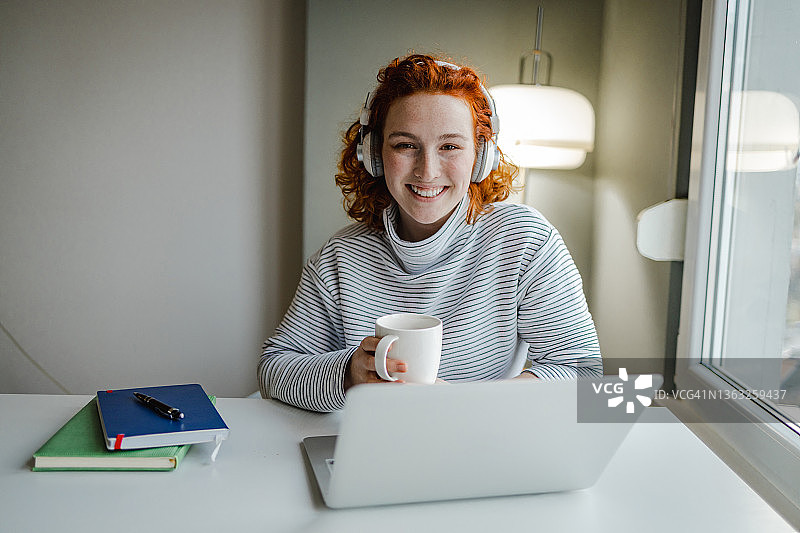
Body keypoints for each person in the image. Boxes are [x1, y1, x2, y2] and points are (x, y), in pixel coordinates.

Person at [258, 54, 602, 412]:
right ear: (374, 154)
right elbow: (273, 369)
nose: (428, 171)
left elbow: (584, 373)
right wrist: (348, 374)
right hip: (375, 439)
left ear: (480, 156)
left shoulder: (525, 241)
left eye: (450, 146)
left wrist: (458, 407)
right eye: (405, 145)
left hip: (486, 438)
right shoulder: (339, 257)